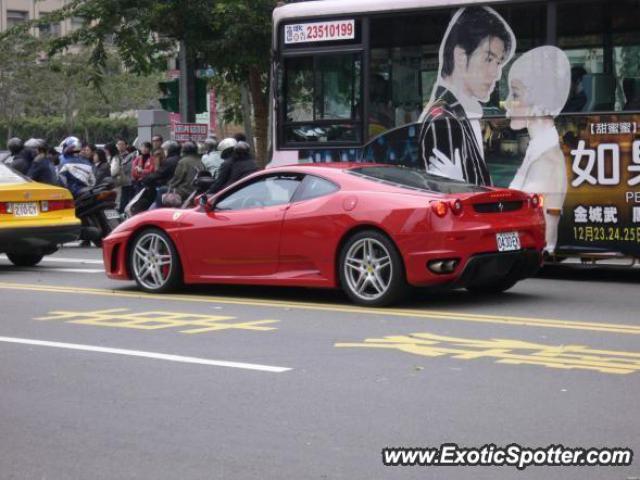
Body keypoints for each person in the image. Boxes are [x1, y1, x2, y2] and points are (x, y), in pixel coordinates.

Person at [418, 6, 515, 185]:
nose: (497, 73)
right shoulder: (444, 121)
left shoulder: (459, 115)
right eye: (489, 59)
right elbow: (446, 197)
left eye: (498, 63)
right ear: (461, 57)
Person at [505, 46, 571, 254]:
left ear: (539, 101)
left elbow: (547, 236)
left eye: (515, 93)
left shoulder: (548, 160)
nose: (507, 103)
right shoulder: (537, 151)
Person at [111, 138, 135, 213]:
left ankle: (123, 212)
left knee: (124, 199)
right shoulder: (115, 156)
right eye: (119, 144)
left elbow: (128, 168)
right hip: (117, 182)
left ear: (126, 146)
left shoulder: (130, 156)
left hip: (126, 181)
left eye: (122, 144)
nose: (120, 146)